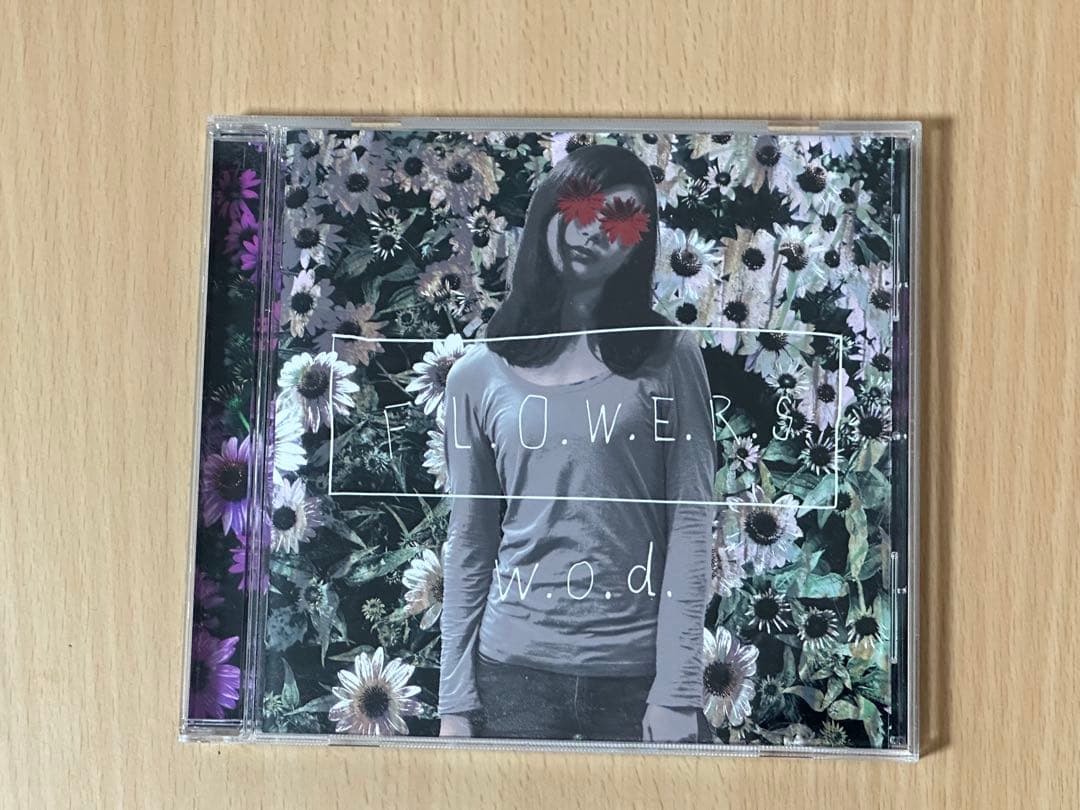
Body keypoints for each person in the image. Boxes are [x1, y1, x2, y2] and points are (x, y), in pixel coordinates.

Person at [438, 144, 716, 743]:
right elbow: (470, 539)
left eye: (622, 219)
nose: (595, 230)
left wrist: (677, 690)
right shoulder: (475, 376)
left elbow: (692, 525)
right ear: (551, 208)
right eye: (584, 205)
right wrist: (455, 702)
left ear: (639, 244)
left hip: (636, 678)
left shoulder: (669, 356)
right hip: (510, 676)